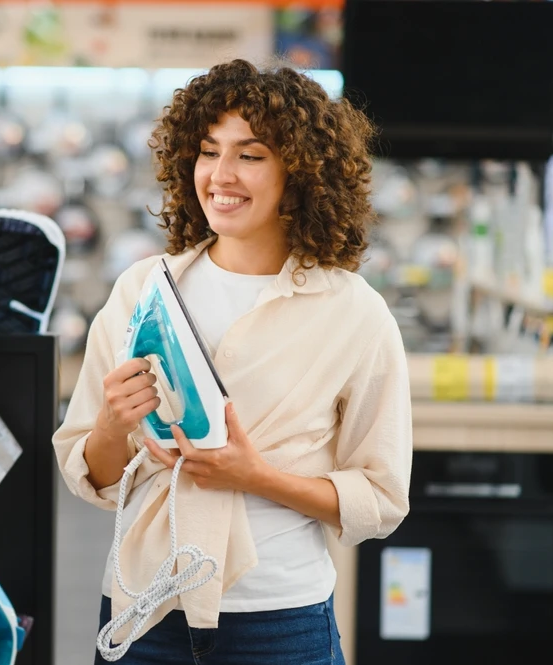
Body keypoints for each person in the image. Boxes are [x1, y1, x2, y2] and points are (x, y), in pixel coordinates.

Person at [52, 59, 413, 665]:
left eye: (250, 155)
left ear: (300, 172)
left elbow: (380, 498)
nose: (221, 175)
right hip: (144, 609)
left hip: (280, 620)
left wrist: (255, 476)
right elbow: (93, 476)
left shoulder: (354, 312)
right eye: (207, 151)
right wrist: (113, 425)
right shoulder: (142, 289)